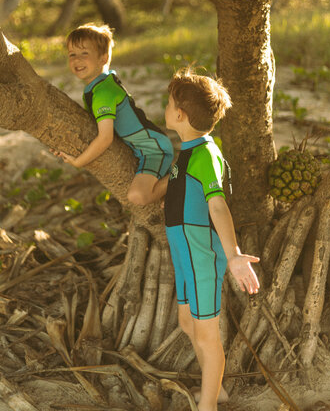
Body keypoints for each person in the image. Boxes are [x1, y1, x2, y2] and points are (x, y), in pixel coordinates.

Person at [154, 68, 260, 411]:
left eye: (169, 103)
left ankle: (210, 405)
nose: (166, 108)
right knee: (188, 323)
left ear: (180, 115)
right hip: (184, 255)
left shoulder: (205, 156)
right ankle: (215, 390)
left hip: (202, 258)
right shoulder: (187, 150)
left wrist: (233, 256)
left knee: (206, 336)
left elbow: (217, 206)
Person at [52, 23, 173, 205]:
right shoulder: (99, 85)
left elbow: (105, 138)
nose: (77, 60)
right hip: (139, 148)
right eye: (72, 54)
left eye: (85, 54)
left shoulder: (103, 93)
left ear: (103, 58)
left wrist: (79, 162)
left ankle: (181, 177)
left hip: (153, 149)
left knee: (138, 197)